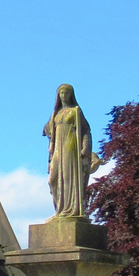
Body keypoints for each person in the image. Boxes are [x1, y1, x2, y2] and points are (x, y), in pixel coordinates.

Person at [42, 84, 102, 218]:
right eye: (61, 93)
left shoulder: (75, 111)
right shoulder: (55, 114)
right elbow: (47, 130)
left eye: (66, 93)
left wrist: (85, 147)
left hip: (71, 146)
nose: (63, 96)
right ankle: (59, 209)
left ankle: (70, 209)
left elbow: (86, 130)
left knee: (68, 178)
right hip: (58, 148)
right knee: (52, 180)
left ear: (71, 95)